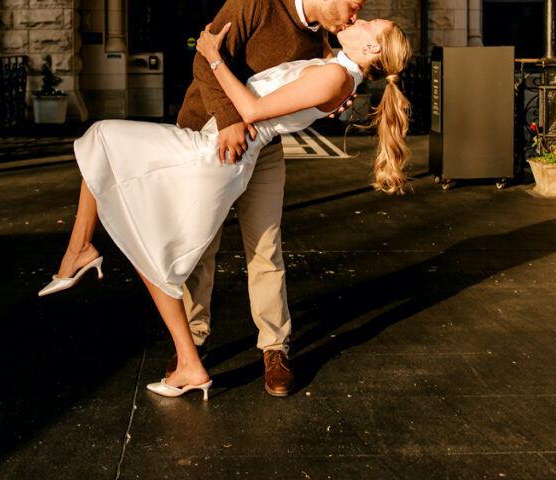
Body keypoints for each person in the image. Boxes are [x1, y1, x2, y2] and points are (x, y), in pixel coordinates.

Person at [38, 29, 413, 403]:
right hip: (218, 149)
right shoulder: (339, 71)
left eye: (368, 23)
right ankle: (87, 256)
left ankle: (86, 257)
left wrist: (212, 54)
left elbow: (250, 110)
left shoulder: (336, 77)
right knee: (111, 166)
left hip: (215, 154)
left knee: (110, 155)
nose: (358, 19)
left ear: (372, 47)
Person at [172, 0, 376, 396]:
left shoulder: (325, 39)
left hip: (263, 150)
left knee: (266, 245)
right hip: (206, 137)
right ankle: (194, 342)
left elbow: (318, 87)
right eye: (352, 6)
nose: (355, 16)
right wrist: (228, 122)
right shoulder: (255, 1)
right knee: (200, 243)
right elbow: (204, 59)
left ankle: (275, 348)